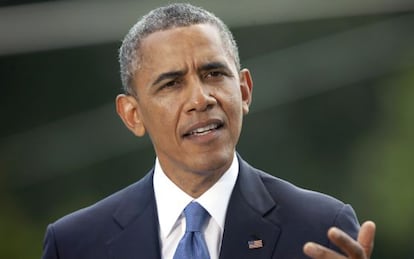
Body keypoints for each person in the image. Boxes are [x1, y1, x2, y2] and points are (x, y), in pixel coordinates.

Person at [42, 3, 375, 259]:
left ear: (244, 91)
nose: (200, 99)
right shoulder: (75, 244)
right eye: (171, 84)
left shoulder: (320, 229)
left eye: (214, 74)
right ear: (132, 115)